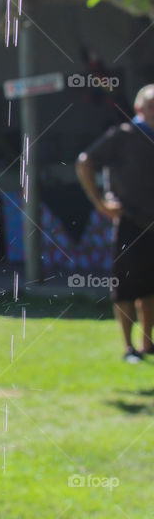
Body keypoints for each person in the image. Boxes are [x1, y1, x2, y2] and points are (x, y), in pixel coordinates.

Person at [76, 84, 154, 363]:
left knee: (150, 289)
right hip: (129, 222)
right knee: (126, 288)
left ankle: (148, 343)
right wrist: (100, 203)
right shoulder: (124, 136)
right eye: (151, 106)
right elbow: (85, 162)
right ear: (139, 109)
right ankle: (128, 347)